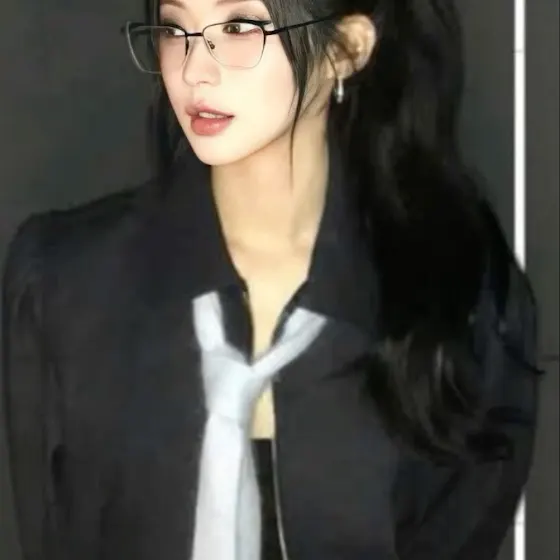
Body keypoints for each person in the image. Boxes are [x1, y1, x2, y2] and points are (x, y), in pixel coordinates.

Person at [1, 0, 544, 558]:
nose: (194, 69)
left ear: (346, 49)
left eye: (239, 27)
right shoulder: (63, 282)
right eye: (175, 29)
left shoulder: (454, 296)